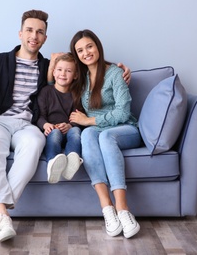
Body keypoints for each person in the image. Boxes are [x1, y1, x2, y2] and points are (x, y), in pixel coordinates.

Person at [0, 10, 131, 242]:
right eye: (29, 30)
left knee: (36, 144)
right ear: (20, 33)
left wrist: (118, 70)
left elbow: (72, 74)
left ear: (45, 38)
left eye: (40, 32)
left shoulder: (49, 67)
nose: (34, 36)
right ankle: (1, 213)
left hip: (28, 125)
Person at [68, 29, 141, 239]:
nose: (86, 53)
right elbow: (56, 81)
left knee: (104, 136)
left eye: (89, 46)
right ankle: (107, 208)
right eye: (80, 50)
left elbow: (123, 112)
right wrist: (54, 60)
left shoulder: (115, 73)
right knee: (87, 135)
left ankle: (123, 209)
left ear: (98, 46)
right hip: (97, 131)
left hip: (125, 129)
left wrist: (89, 120)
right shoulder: (79, 79)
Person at [37, 53, 83, 184]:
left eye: (68, 71)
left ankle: (73, 158)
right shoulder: (46, 92)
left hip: (68, 130)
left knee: (76, 132)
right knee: (55, 133)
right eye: (59, 69)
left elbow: (79, 117)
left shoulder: (76, 95)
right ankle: (52, 162)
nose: (63, 74)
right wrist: (46, 125)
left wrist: (70, 125)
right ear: (53, 72)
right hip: (52, 131)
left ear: (75, 75)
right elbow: (39, 115)